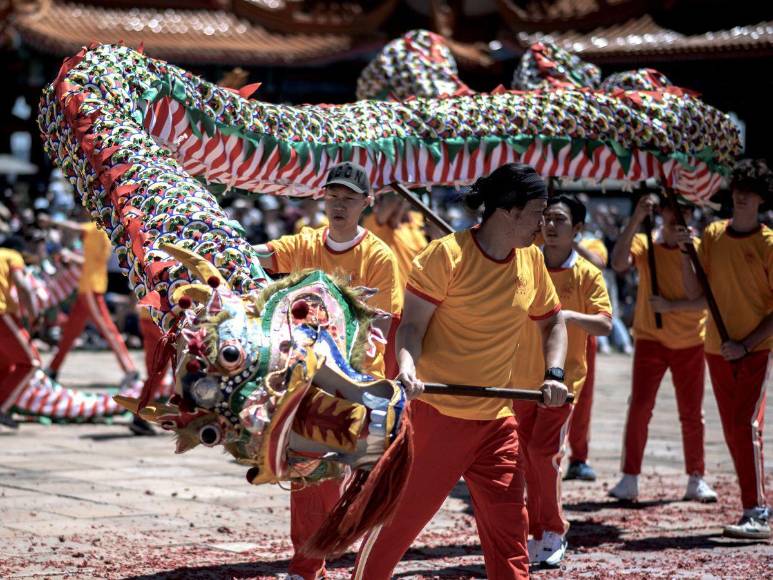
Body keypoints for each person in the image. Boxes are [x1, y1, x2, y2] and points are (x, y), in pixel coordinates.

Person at [352, 162, 568, 579]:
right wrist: (407, 368)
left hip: (497, 421)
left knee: (511, 533)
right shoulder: (446, 255)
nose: (543, 225)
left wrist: (554, 374)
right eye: (537, 214)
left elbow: (553, 322)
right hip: (437, 417)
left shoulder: (531, 261)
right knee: (397, 525)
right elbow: (411, 327)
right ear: (508, 211)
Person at [253, 162, 402, 580]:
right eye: (333, 196)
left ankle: (350, 563)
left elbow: (383, 323)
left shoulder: (378, 256)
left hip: (356, 384)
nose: (339, 205)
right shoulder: (305, 243)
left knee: (358, 485)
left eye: (349, 198)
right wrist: (221, 239)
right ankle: (307, 566)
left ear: (366, 202)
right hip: (308, 382)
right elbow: (260, 254)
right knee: (308, 477)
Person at [512, 195, 611, 566]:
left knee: (544, 454)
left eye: (560, 220)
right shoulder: (525, 260)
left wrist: (566, 316)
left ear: (578, 229)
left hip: (561, 383)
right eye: (547, 218)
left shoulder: (586, 273)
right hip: (520, 379)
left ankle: (553, 531)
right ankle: (534, 530)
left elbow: (605, 323)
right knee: (524, 457)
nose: (550, 226)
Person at [679, 159, 773, 539]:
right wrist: (686, 253)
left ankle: (758, 510)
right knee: (734, 431)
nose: (741, 196)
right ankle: (752, 503)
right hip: (717, 348)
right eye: (738, 189)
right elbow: (694, 292)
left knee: (745, 425)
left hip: (756, 349)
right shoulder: (714, 235)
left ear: (761, 198)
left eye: (749, 191)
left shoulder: (769, 244)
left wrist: (746, 344)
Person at [609, 193, 716, 503]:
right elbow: (618, 263)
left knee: (691, 412)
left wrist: (671, 304)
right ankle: (630, 476)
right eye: (670, 209)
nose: (675, 216)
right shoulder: (647, 243)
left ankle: (696, 477)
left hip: (690, 339)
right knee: (640, 407)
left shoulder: (697, 248)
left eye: (683, 210)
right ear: (661, 212)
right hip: (650, 337)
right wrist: (636, 219)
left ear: (691, 215)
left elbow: (701, 298)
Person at [45, 216, 137, 382]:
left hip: (90, 289)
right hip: (87, 288)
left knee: (108, 330)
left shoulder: (97, 228)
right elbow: (86, 261)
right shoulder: (102, 232)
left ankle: (129, 370)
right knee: (70, 333)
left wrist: (51, 221)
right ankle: (53, 368)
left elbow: (74, 226)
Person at [565, 233, 609, 482]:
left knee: (582, 400)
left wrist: (569, 240)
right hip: (538, 334)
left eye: (561, 219)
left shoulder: (591, 244)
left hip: (581, 334)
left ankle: (579, 458)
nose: (552, 225)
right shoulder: (537, 242)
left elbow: (598, 263)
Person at [0, 237, 39, 428]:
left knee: (5, 364)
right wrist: (35, 317)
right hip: (2, 314)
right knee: (31, 362)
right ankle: (2, 408)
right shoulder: (12, 255)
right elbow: (24, 287)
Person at [361, 193, 428, 287]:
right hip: (389, 292)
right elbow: (389, 205)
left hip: (416, 291)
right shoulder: (372, 223)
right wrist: (398, 193)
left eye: (401, 202)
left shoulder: (416, 222)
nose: (397, 205)